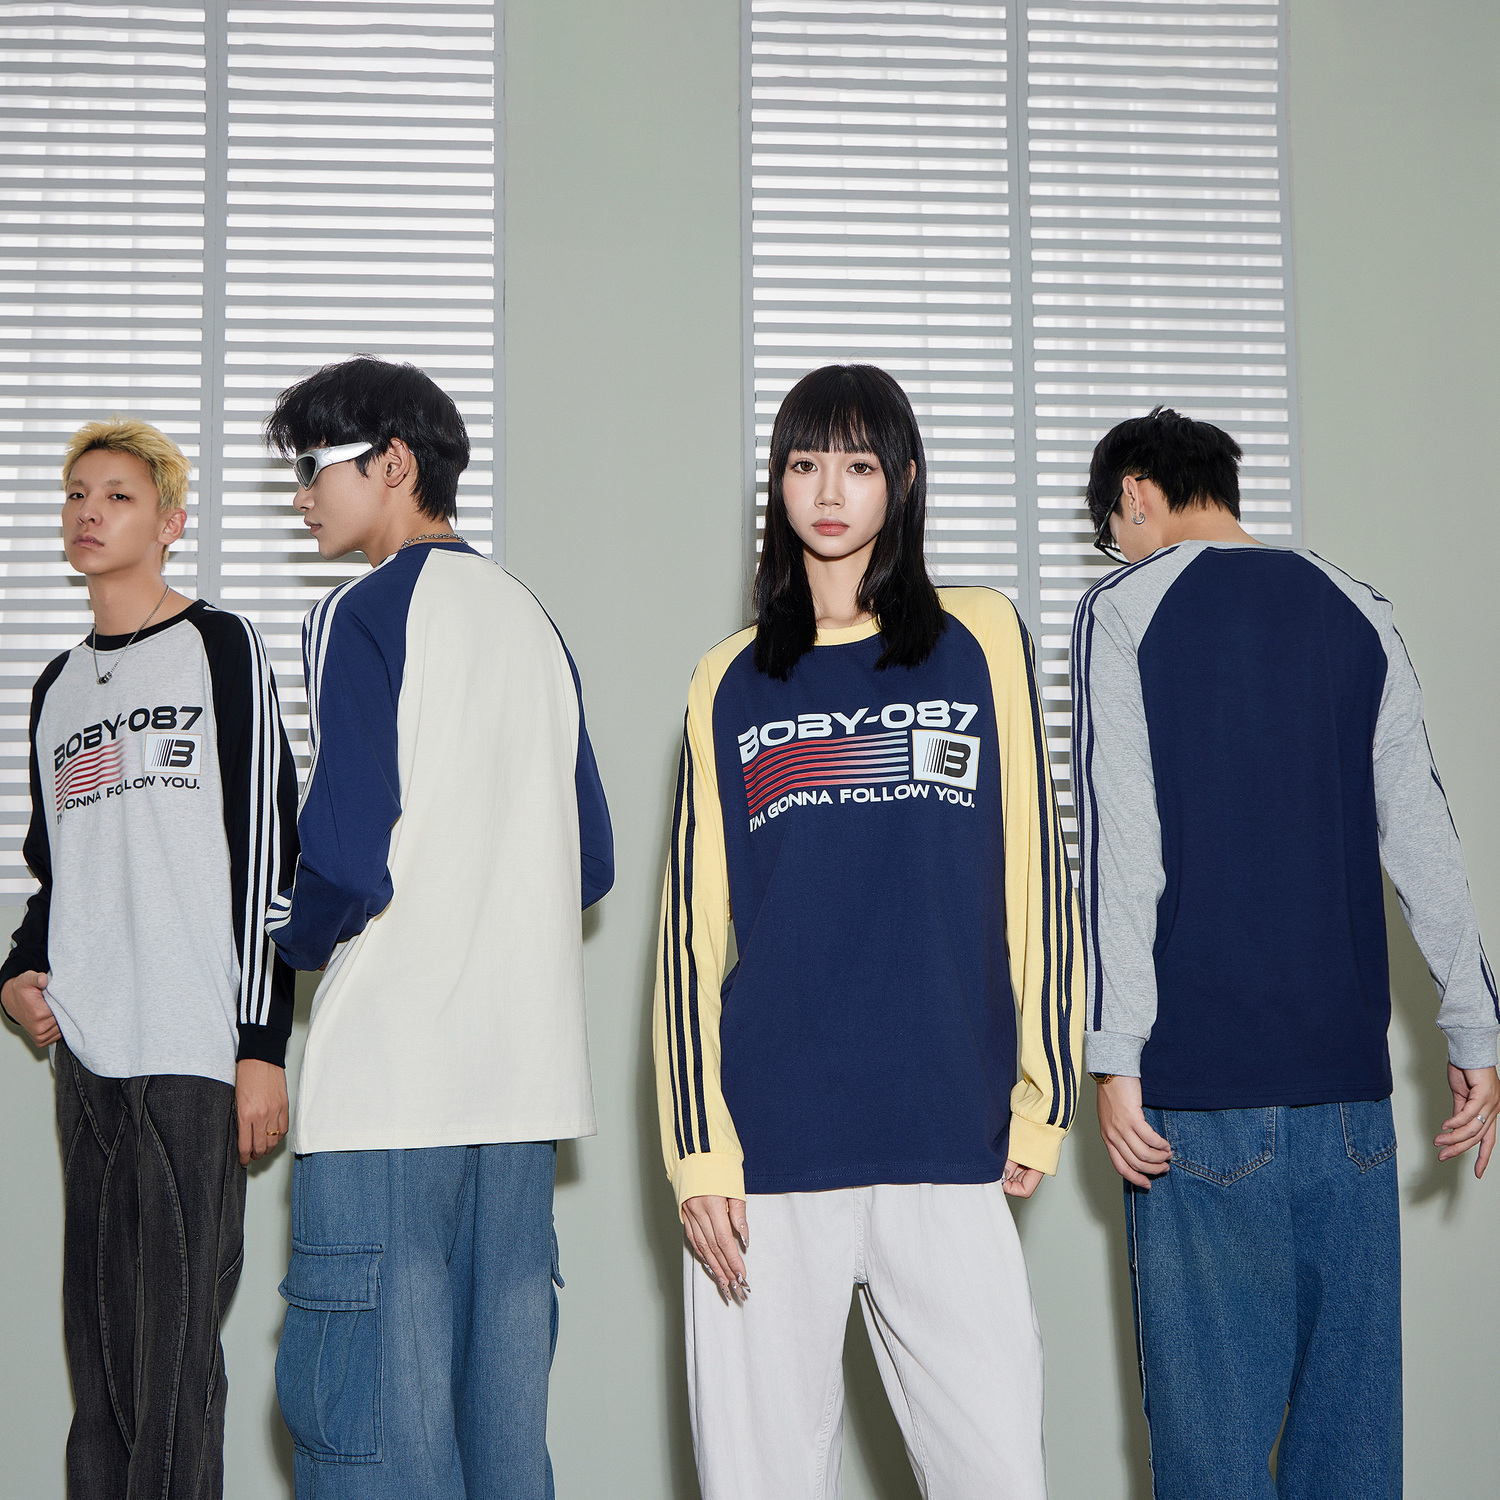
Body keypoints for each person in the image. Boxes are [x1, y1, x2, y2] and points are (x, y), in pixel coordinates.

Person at [652, 363, 1082, 1499]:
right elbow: (690, 938)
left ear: (904, 479)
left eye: (857, 464)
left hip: (944, 1124)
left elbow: (1036, 879)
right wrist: (698, 1152)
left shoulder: (979, 637)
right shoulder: (729, 680)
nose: (829, 492)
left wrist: (1043, 1097)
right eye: (804, 464)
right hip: (768, 1148)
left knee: (998, 1475)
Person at [1072, 406, 1499, 1500]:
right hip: (1351, 1111)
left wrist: (1114, 1055)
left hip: (1200, 1103)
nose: (1117, 549)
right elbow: (1424, 833)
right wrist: (1474, 1029)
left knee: (1212, 1466)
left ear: (1135, 494)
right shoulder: (1359, 607)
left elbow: (1125, 851)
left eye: (1112, 528)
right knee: (1354, 1464)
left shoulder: (1124, 609)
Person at [261, 356, 613, 1500]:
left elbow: (344, 854)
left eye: (313, 470)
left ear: (394, 465)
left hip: (388, 1089)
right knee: (502, 1448)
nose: (301, 499)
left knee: (372, 1441)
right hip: (521, 1098)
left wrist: (282, 940)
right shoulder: (531, 619)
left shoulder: (360, 613)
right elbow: (592, 859)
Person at [0, 416, 298, 1498]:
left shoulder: (219, 645)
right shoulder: (56, 688)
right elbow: (57, 865)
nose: (89, 512)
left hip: (192, 1042)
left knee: (174, 1360)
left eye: (117, 495)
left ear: (171, 523)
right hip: (88, 1050)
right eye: (77, 494)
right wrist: (17, 969)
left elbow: (270, 845)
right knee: (102, 1356)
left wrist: (260, 1042)